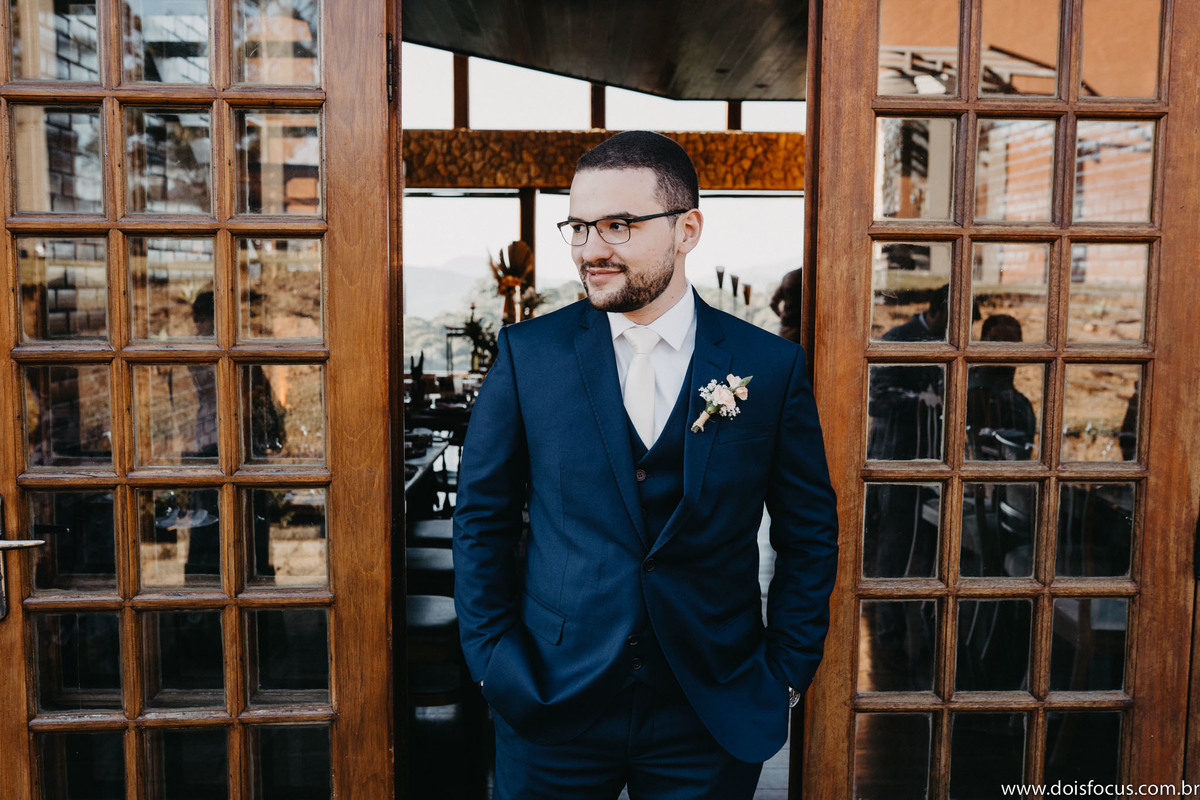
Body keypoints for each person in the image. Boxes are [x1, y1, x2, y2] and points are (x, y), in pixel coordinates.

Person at [452, 130, 838, 799]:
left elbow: (808, 533)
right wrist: (493, 663)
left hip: (711, 705)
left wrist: (786, 672)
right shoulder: (527, 356)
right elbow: (481, 520)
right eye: (579, 227)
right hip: (550, 698)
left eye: (619, 225)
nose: (590, 249)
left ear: (687, 230)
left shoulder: (770, 367)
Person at [769, 267, 803, 343]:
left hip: (786, 330)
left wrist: (782, 315)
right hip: (804, 331)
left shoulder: (789, 277)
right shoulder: (812, 278)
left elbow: (773, 303)